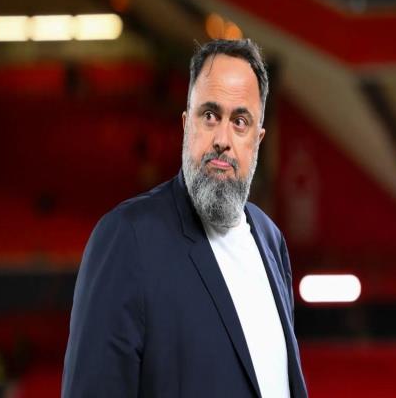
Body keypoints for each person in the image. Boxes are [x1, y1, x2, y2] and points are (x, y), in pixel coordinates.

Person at [62, 39, 308, 398]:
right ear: (185, 124)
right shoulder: (128, 238)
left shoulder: (271, 240)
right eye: (209, 115)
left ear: (258, 140)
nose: (222, 139)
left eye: (240, 122)